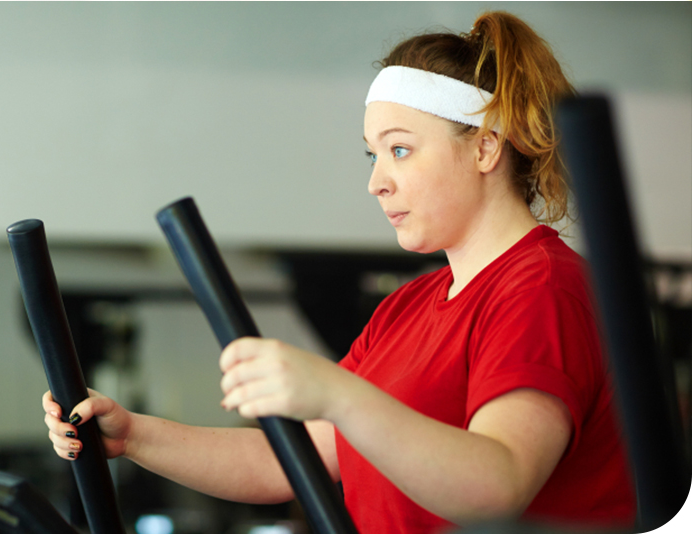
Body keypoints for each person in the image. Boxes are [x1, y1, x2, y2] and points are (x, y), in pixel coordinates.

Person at [43, 11, 636, 533]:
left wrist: (337, 393)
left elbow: (498, 485)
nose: (377, 180)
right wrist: (136, 436)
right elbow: (286, 460)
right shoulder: (408, 308)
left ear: (485, 148)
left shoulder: (544, 288)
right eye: (372, 154)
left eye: (400, 149)